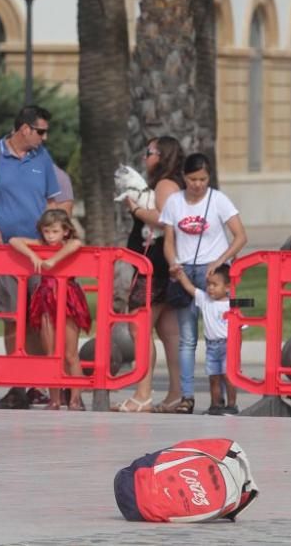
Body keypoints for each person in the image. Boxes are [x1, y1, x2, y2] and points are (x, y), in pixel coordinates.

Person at [0, 106, 60, 410]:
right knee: (12, 316)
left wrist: (55, 235)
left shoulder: (43, 158)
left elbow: (53, 200)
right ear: (24, 128)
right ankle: (17, 385)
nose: (44, 137)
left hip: (39, 253)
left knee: (41, 319)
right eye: (40, 131)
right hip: (6, 255)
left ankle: (45, 383)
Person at [161, 153, 247, 415]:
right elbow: (168, 240)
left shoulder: (218, 199)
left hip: (214, 273)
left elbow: (241, 236)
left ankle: (226, 399)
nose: (198, 184)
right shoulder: (175, 202)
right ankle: (187, 396)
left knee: (223, 333)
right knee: (187, 338)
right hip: (185, 272)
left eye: (203, 179)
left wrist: (221, 261)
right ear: (183, 177)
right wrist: (173, 264)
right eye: (192, 179)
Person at [114, 136, 185, 413]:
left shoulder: (166, 184)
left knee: (138, 327)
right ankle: (176, 394)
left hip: (152, 265)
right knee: (168, 332)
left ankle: (143, 393)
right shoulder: (170, 183)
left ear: (162, 155)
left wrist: (136, 209)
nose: (145, 157)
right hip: (160, 264)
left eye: (149, 152)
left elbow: (165, 219)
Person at [9, 209, 91, 410]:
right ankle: (55, 399)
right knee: (51, 353)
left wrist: (53, 260)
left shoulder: (68, 244)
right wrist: (33, 255)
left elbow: (77, 243)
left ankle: (74, 398)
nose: (50, 236)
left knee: (71, 353)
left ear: (65, 231)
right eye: (46, 231)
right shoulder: (41, 246)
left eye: (55, 231)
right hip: (46, 298)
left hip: (68, 298)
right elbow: (13, 241)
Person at [169, 263, 238, 415]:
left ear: (227, 287)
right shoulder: (205, 299)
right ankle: (215, 405)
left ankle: (232, 405)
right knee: (213, 377)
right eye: (208, 284)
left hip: (228, 346)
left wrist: (237, 347)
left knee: (229, 376)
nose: (210, 288)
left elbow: (241, 326)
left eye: (215, 284)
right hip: (211, 347)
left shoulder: (233, 304)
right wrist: (180, 274)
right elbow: (189, 288)